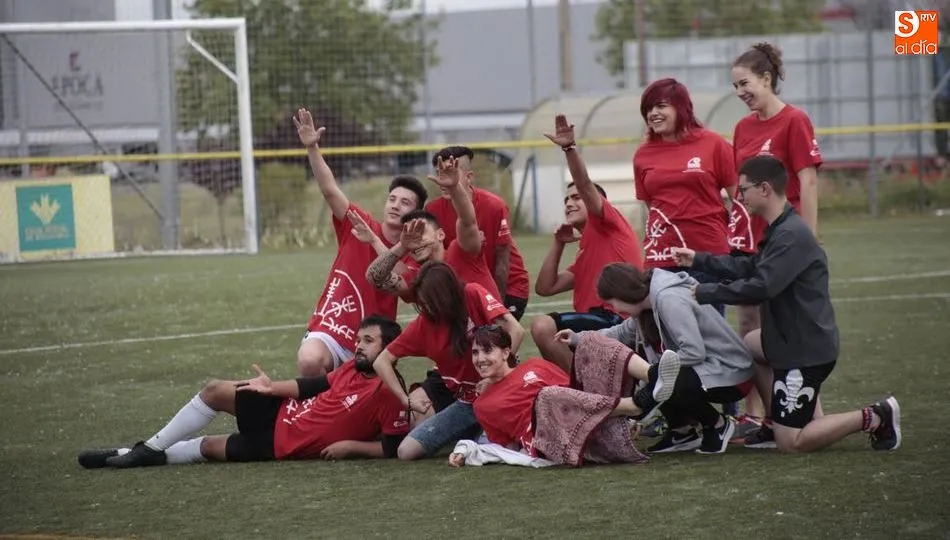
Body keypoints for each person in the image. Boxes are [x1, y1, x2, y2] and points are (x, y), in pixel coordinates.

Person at [671, 155, 902, 454]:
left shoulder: (791, 235)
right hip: (787, 339)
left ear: (764, 189)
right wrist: (699, 260)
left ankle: (876, 415)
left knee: (791, 443)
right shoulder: (781, 228)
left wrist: (706, 292)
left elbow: (762, 286)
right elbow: (751, 267)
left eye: (743, 190)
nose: (739, 197)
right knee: (748, 346)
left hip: (804, 351)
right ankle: (775, 418)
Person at [78, 316, 417, 469]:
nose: (357, 346)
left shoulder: (390, 392)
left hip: (282, 445)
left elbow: (391, 446)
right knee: (213, 390)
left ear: (391, 347)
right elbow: (309, 386)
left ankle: (131, 452)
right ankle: (148, 448)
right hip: (281, 410)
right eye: (358, 339)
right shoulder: (352, 367)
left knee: (209, 447)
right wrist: (271, 389)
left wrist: (350, 448)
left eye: (367, 341)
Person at [728, 43, 824, 437]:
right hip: (749, 241)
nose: (740, 93)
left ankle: (803, 416)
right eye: (735, 86)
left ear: (767, 79)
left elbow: (809, 181)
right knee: (748, 326)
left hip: (783, 243)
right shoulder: (743, 128)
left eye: (745, 83)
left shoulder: (794, 120)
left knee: (780, 330)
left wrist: (808, 243)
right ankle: (760, 411)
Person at [293, 108, 427, 377]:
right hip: (332, 330)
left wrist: (375, 241)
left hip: (373, 341)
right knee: (309, 360)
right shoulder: (359, 223)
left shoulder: (414, 254)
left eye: (405, 203)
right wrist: (312, 148)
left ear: (414, 212)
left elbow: (400, 280)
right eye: (393, 199)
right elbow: (330, 190)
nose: (395, 205)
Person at [448, 326, 681, 468]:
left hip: (590, 422)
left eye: (487, 351)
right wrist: (466, 450)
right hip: (554, 444)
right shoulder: (482, 405)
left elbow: (573, 394)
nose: (480, 359)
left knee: (589, 340)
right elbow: (503, 448)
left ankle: (653, 375)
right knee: (546, 398)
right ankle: (636, 406)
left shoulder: (535, 365)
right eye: (476, 353)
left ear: (506, 352)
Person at [588, 263, 755, 454]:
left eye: (612, 301)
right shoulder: (647, 305)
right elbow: (619, 333)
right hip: (710, 369)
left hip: (734, 374)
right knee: (653, 370)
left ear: (623, 293)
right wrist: (580, 338)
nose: (614, 308)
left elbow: (694, 352)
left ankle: (718, 425)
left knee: (662, 375)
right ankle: (682, 432)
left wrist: (653, 372)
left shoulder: (669, 298)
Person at [372, 261, 524, 461]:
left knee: (499, 446)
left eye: (430, 302)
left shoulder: (471, 293)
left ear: (446, 295)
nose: (425, 308)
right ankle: (479, 432)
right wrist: (405, 399)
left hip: (501, 391)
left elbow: (516, 330)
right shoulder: (424, 324)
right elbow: (381, 361)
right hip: (467, 402)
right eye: (423, 302)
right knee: (406, 451)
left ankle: (490, 432)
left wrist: (497, 376)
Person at [530, 114, 645, 374]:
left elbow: (584, 182)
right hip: (594, 324)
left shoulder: (609, 222)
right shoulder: (586, 251)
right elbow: (545, 288)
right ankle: (586, 387)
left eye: (576, 198)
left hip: (617, 321)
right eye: (566, 199)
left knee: (542, 326)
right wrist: (558, 244)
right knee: (544, 356)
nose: (569, 203)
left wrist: (568, 149)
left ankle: (584, 387)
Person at [633, 78, 736, 315]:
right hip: (663, 258)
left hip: (707, 256)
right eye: (648, 108)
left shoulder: (713, 144)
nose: (653, 114)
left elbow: (739, 199)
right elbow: (654, 207)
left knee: (709, 332)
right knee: (669, 335)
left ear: (681, 107)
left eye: (660, 106)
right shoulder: (643, 155)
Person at [366, 156, 501, 302]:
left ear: (440, 234)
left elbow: (467, 221)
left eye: (420, 233)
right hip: (445, 325)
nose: (416, 242)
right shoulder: (416, 274)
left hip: (486, 323)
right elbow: (375, 277)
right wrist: (402, 246)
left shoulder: (461, 252)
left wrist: (454, 188)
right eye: (410, 236)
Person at [424, 146, 532, 320]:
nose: (444, 178)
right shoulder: (433, 210)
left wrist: (497, 307)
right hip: (469, 286)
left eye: (451, 171)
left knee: (498, 340)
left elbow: (502, 262)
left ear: (469, 177)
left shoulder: (494, 206)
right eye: (439, 172)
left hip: (508, 285)